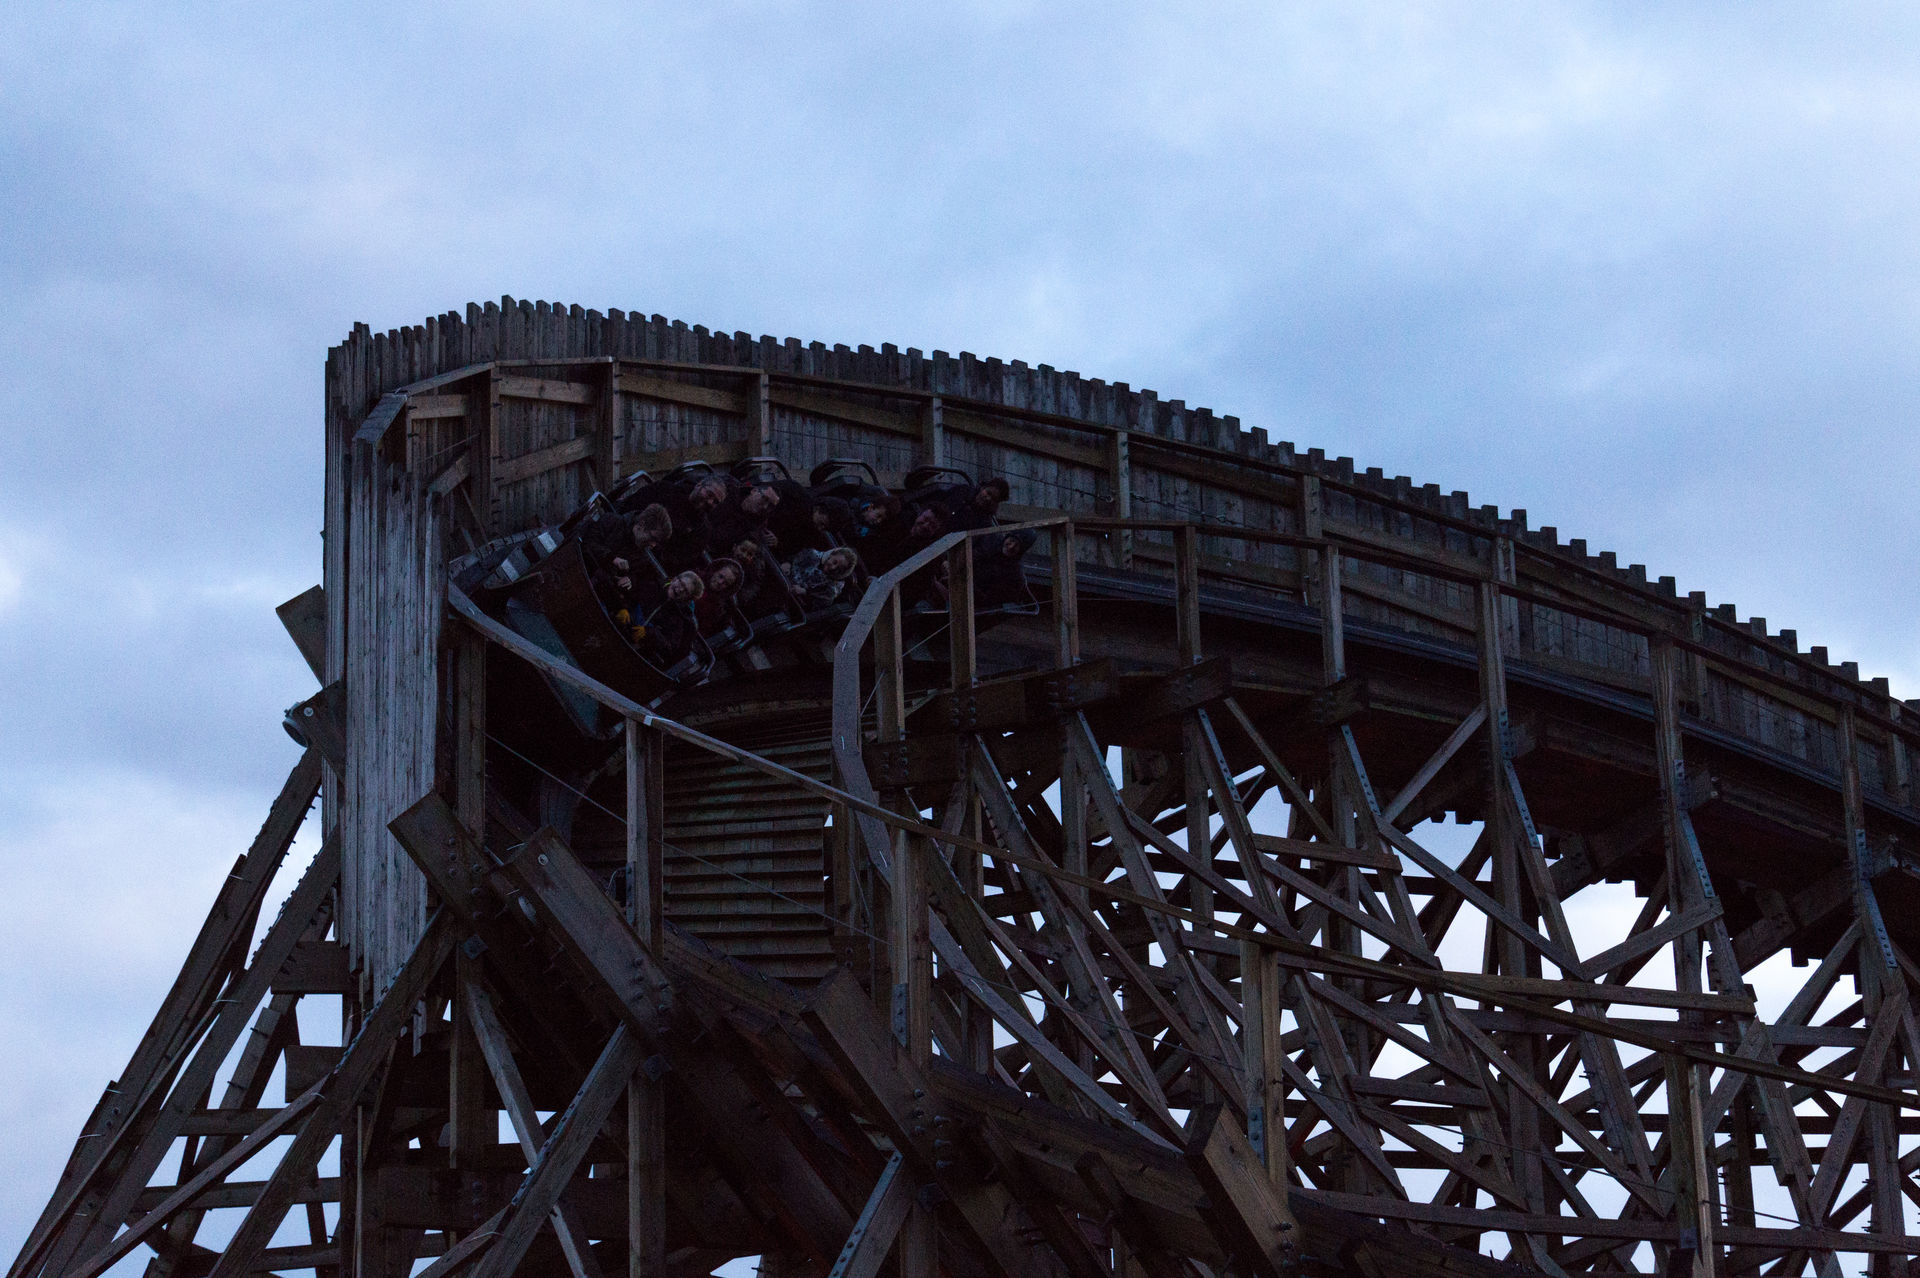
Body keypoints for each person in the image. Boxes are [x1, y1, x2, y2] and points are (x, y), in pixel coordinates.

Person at [973, 528, 1036, 606]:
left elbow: (993, 601)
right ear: (1007, 537)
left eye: (1017, 546)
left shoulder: (1015, 576)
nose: (1011, 547)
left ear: (1021, 551)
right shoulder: (988, 540)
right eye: (1012, 540)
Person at [785, 546, 860, 609]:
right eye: (834, 562)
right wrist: (787, 563)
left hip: (793, 602)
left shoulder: (832, 589)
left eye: (838, 569)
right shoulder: (811, 554)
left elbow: (815, 607)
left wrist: (805, 592)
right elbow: (791, 557)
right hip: (783, 580)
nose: (833, 568)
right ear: (831, 555)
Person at [694, 558, 745, 634]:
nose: (720, 582)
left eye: (726, 583)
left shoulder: (716, 608)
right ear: (715, 571)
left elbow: (700, 630)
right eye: (720, 576)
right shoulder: (694, 577)